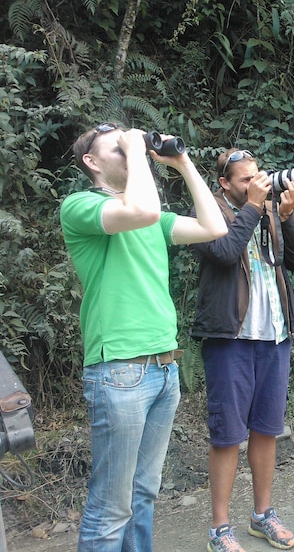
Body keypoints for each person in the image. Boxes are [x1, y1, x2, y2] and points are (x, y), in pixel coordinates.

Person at [61, 123, 227, 552]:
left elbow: (214, 227)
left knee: (143, 495)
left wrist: (183, 162)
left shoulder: (150, 215)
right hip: (118, 371)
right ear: (92, 163)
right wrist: (136, 147)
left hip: (163, 368)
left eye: (128, 145)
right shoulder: (80, 205)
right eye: (115, 147)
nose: (128, 150)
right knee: (111, 506)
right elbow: (142, 212)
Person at [191, 149, 294, 552]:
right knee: (227, 436)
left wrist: (286, 218)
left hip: (274, 336)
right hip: (231, 339)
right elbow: (224, 253)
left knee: (267, 428)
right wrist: (256, 208)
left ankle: (263, 515)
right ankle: (220, 529)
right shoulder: (208, 213)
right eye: (245, 180)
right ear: (224, 183)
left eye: (257, 177)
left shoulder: (266, 211)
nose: (255, 184)